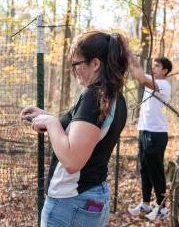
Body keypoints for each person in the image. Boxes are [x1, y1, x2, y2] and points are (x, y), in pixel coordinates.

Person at [21, 31, 129, 227]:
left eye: (76, 64)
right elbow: (82, 133)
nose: (73, 70)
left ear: (95, 64)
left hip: (71, 202)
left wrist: (53, 123)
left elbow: (72, 161)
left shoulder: (93, 97)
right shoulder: (114, 97)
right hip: (92, 195)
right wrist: (47, 117)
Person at [127, 52, 172, 221]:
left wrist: (126, 49)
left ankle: (162, 208)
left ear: (165, 71)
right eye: (152, 65)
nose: (153, 67)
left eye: (157, 66)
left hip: (157, 133)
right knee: (144, 169)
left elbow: (140, 76)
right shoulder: (150, 80)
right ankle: (146, 204)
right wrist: (128, 56)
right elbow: (137, 72)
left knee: (156, 171)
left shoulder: (163, 85)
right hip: (144, 131)